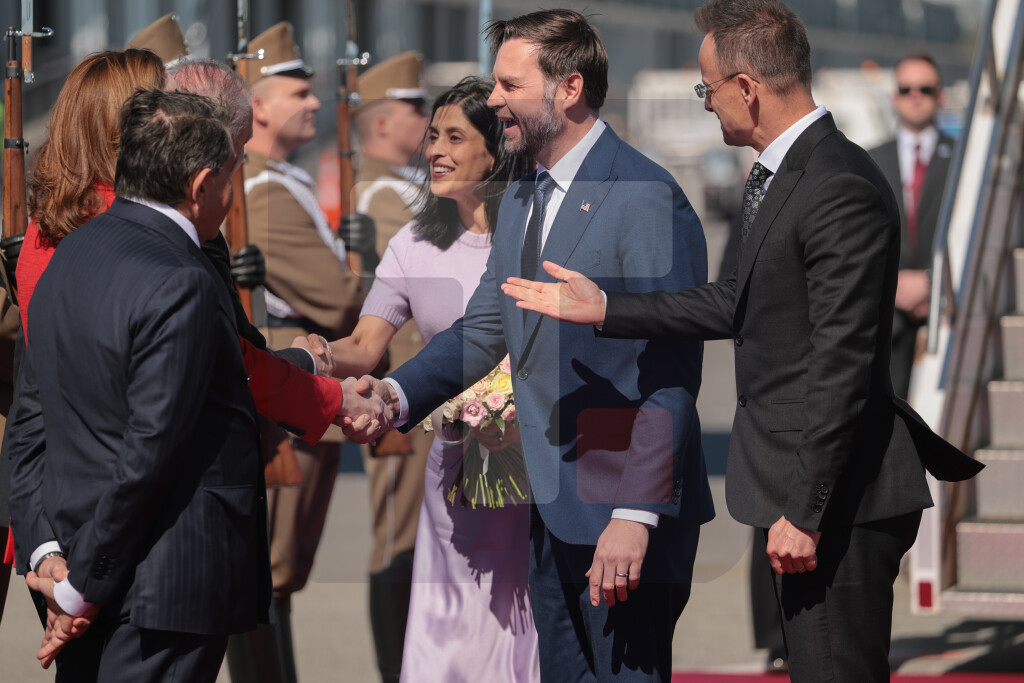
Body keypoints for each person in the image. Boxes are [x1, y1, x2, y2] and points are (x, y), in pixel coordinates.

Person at [500, 1, 983, 681]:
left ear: (748, 88)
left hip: (839, 499)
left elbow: (840, 363)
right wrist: (607, 307)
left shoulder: (837, 183)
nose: (706, 104)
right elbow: (733, 301)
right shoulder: (781, 173)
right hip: (799, 487)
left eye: (708, 89)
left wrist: (805, 511)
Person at [361, 10, 715, 681]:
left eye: (509, 85)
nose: (494, 99)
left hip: (621, 520)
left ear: (569, 89)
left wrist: (634, 515)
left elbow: (671, 373)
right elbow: (484, 326)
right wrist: (395, 394)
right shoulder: (523, 193)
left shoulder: (644, 196)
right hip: (551, 512)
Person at [8, 88, 270, 682]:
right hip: (160, 582)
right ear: (200, 184)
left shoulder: (70, 251)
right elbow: (150, 450)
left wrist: (48, 556)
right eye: (229, 176)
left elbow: (28, 428)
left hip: (80, 563)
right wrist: (81, 587)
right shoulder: (184, 279)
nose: (230, 194)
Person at [303, 76, 538, 682]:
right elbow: (364, 345)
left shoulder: (536, 233)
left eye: (454, 137)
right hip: (454, 465)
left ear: (495, 150)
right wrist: (314, 356)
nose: (435, 149)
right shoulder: (412, 242)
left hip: (534, 463)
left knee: (523, 625)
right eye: (432, 135)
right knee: (451, 628)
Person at [237, 22, 365, 683]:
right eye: (297, 92)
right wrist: (368, 269)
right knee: (269, 575)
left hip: (301, 386)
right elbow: (339, 298)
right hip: (290, 396)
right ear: (257, 105)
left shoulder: (279, 181)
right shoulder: (262, 191)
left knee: (277, 581)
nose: (314, 102)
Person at [349, 51, 432, 682]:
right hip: (406, 389)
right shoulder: (383, 194)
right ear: (381, 123)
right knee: (399, 538)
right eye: (414, 107)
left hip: (427, 390)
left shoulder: (404, 185)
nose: (426, 118)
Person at [869, 53, 954, 398]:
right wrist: (895, 284)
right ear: (894, 97)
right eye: (906, 89)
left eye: (925, 89)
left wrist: (931, 282)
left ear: (940, 95)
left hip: (949, 309)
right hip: (887, 314)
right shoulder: (869, 160)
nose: (915, 96)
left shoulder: (964, 159)